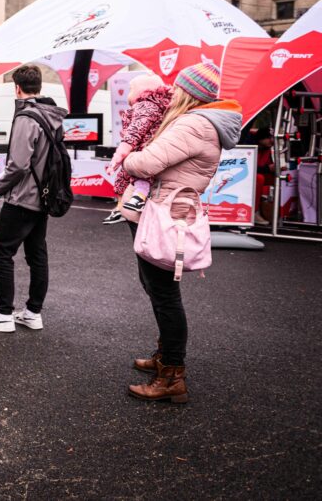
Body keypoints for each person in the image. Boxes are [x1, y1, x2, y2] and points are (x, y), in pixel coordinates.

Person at [122, 62, 240, 404]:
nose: (171, 91)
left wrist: (126, 158)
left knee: (164, 294)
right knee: (157, 288)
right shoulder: (201, 124)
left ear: (188, 93)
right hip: (170, 208)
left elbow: (145, 163)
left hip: (166, 212)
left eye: (178, 87)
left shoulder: (193, 124)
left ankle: (172, 374)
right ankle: (166, 357)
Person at [0, 65, 66, 333]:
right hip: (44, 196)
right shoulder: (53, 115)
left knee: (1, 251)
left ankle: (3, 315)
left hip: (23, 197)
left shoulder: (27, 117)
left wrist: (0, 187)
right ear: (39, 87)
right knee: (37, 254)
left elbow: (19, 165)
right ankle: (33, 312)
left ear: (17, 88)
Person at [104, 75, 172, 224]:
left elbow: (135, 131)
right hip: (145, 151)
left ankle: (137, 199)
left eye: (131, 89)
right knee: (123, 179)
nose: (129, 93)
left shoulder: (146, 105)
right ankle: (120, 207)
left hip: (142, 150)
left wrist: (119, 154)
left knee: (139, 176)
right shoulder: (161, 106)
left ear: (142, 91)